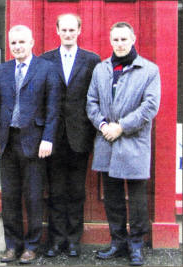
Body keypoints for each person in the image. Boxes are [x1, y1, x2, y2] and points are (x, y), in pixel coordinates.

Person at [86, 22, 160, 266]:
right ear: (110, 41)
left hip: (133, 142)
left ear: (133, 39)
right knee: (113, 196)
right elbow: (91, 102)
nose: (119, 44)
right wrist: (103, 125)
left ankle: (136, 244)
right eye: (115, 39)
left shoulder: (149, 70)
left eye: (123, 39)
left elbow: (149, 107)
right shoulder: (101, 69)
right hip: (107, 140)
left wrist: (122, 126)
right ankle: (117, 242)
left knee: (137, 198)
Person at [0, 25, 61, 264]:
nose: (17, 47)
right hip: (7, 141)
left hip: (35, 141)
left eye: (22, 42)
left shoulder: (47, 69)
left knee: (33, 197)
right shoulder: (1, 70)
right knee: (9, 197)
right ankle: (12, 245)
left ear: (31, 43)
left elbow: (53, 108)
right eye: (13, 43)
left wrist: (48, 138)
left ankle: (31, 245)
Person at [40, 13, 101, 257]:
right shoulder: (45, 60)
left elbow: (97, 95)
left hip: (80, 135)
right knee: (55, 190)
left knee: (76, 191)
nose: (67, 34)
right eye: (63, 30)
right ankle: (56, 240)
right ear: (57, 31)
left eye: (71, 30)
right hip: (52, 136)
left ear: (79, 31)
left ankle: (74, 240)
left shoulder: (92, 60)